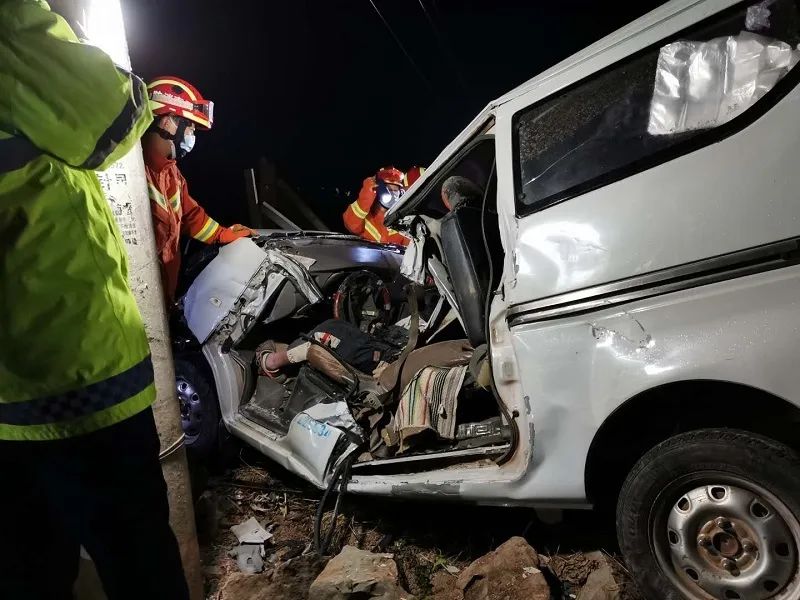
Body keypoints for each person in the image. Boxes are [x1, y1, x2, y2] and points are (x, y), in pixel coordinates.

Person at [0, 2, 189, 599]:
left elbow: (198, 223)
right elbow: (115, 112)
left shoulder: (174, 178)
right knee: (140, 565)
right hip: (75, 373)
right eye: (176, 130)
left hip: (7, 393)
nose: (177, 141)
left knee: (30, 574)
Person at [144, 75, 255, 303]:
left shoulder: (171, 174)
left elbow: (190, 217)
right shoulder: (132, 173)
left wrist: (222, 234)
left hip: (162, 295)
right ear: (167, 121)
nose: (191, 136)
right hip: (137, 297)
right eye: (190, 127)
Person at [343, 166, 410, 246]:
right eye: (389, 189)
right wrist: (366, 196)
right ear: (379, 189)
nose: (392, 195)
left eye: (395, 190)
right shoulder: (367, 216)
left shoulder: (402, 220)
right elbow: (351, 226)